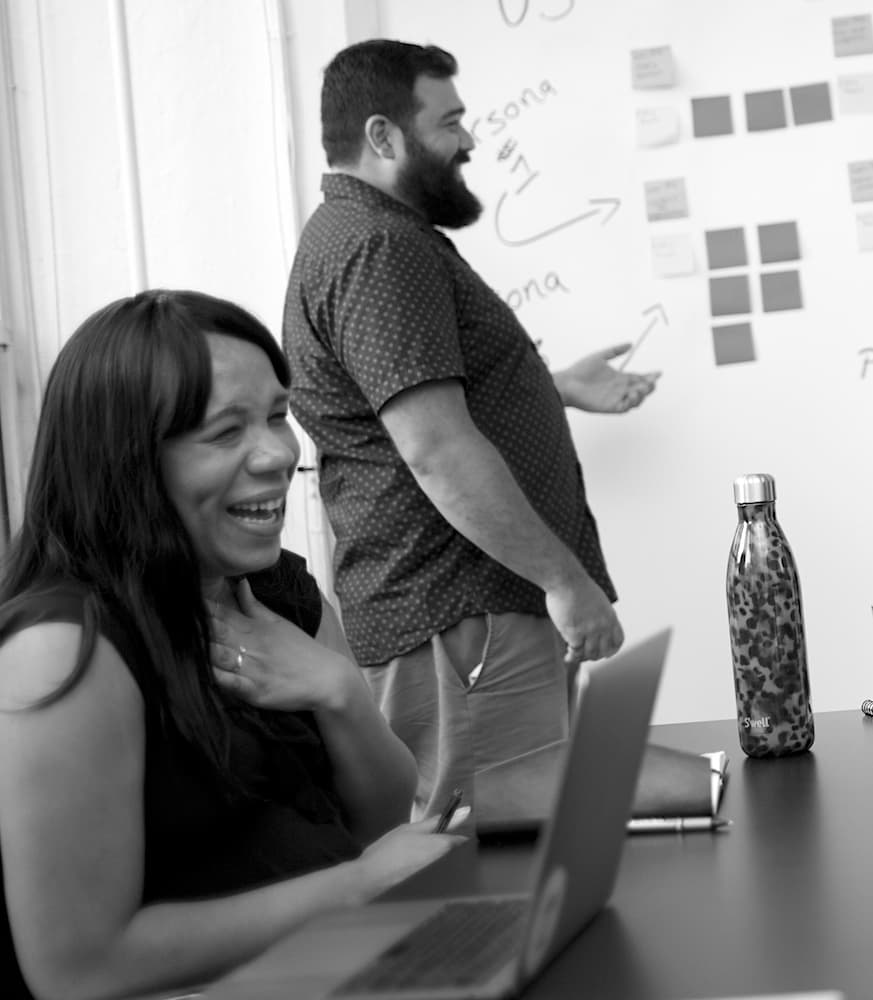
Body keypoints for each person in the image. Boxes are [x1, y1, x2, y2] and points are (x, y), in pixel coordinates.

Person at [0, 290, 466, 1000]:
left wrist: (338, 693)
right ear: (126, 461)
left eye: (278, 416)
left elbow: (377, 823)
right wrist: (356, 888)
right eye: (226, 433)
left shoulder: (274, 589)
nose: (279, 453)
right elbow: (78, 968)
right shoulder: (64, 651)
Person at [283, 39, 661, 821]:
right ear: (384, 136)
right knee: (494, 868)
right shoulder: (377, 247)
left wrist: (551, 391)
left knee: (520, 859)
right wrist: (564, 581)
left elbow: (417, 410)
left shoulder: (370, 238)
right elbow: (433, 449)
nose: (469, 140)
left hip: (468, 618)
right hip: (460, 618)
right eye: (449, 120)